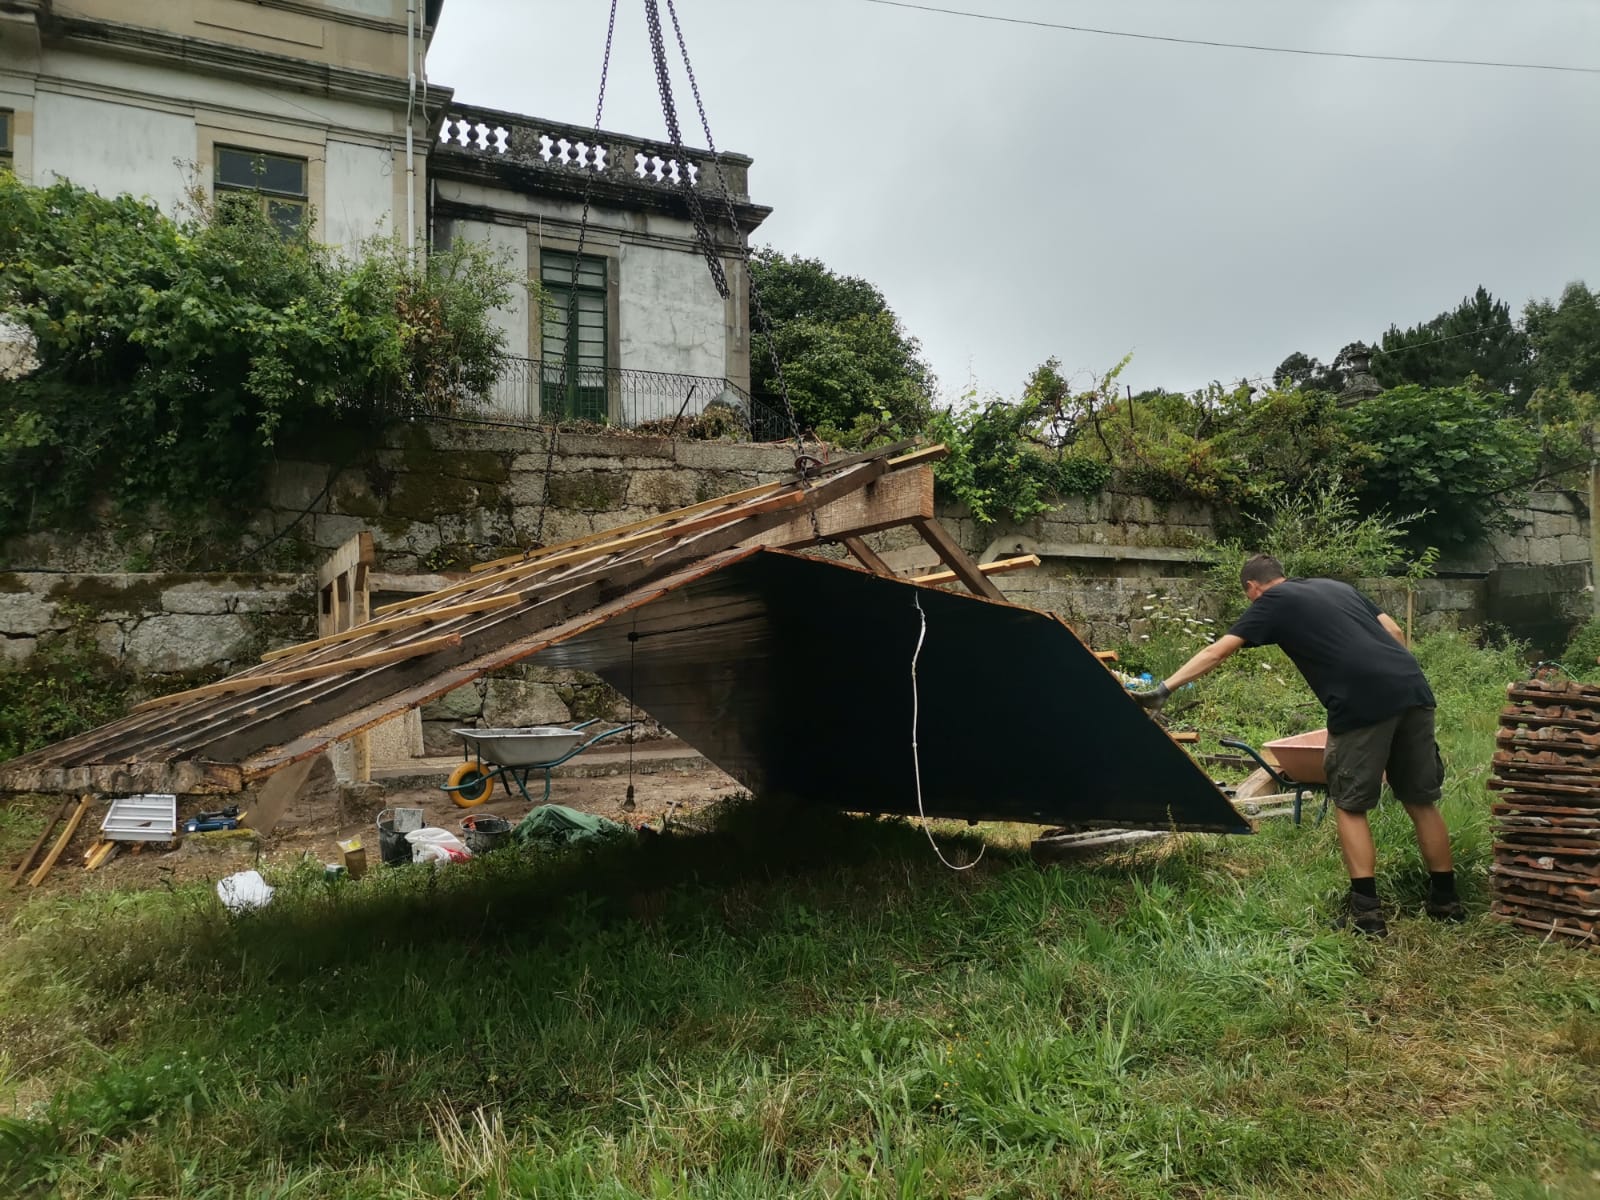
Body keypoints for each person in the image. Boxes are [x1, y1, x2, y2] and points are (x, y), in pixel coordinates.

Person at [1134, 554, 1464, 937]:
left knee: (1350, 804)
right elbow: (1393, 633)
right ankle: (1446, 901)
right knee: (1421, 800)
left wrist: (1162, 690)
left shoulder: (1272, 601)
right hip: (1413, 688)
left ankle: (1367, 914)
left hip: (1362, 701)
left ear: (1252, 589)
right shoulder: (1336, 587)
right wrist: (1390, 673)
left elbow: (1218, 651)